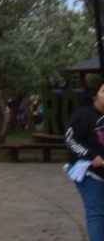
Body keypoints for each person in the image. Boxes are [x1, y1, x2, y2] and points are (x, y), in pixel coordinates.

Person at [65, 79, 104, 240]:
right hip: (88, 171)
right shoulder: (83, 114)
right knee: (97, 212)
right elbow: (70, 140)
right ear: (94, 96)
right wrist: (91, 156)